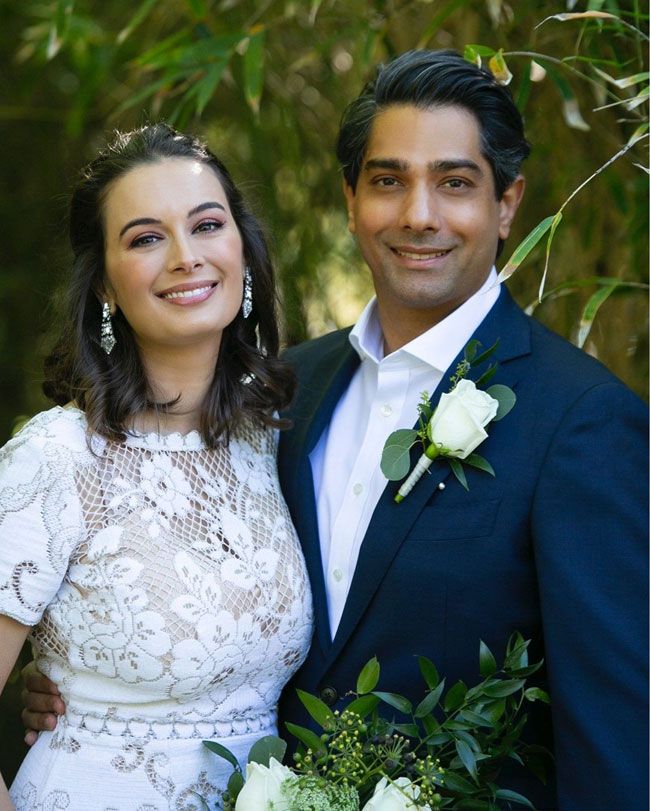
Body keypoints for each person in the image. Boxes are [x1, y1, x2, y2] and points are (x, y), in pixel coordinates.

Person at [22, 50, 648, 810]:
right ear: (351, 200)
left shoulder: (583, 422)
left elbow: (616, 745)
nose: (419, 215)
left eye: (455, 183)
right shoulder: (282, 395)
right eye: (388, 181)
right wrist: (88, 681)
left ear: (508, 204)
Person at [0, 124, 312, 810]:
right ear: (104, 285)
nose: (185, 257)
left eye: (207, 225)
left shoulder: (270, 440)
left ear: (243, 250)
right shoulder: (56, 459)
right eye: (145, 238)